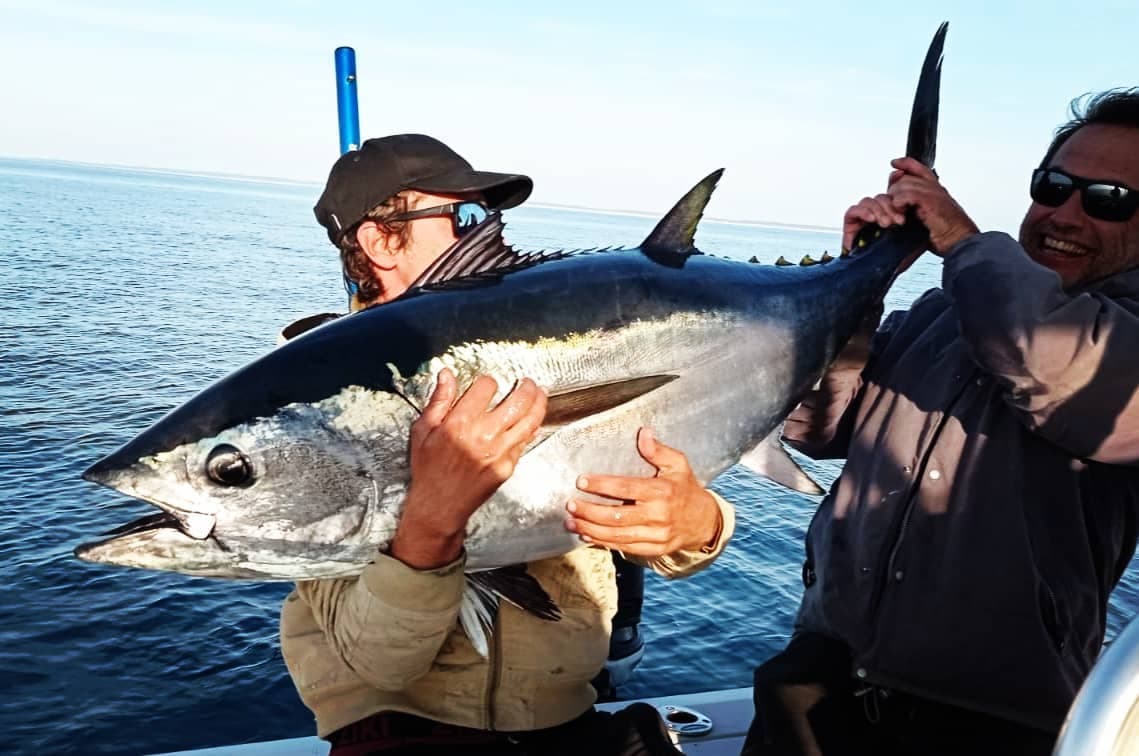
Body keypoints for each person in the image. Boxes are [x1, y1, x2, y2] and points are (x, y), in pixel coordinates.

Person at [277, 133, 736, 756]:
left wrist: (699, 525)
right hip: (400, 733)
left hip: (564, 719)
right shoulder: (305, 416)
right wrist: (431, 522)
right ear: (380, 241)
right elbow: (379, 659)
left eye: (490, 217)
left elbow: (647, 491)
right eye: (464, 217)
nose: (487, 236)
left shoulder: (533, 357)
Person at [742, 87, 1139, 756]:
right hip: (818, 679)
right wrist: (857, 285)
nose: (1064, 214)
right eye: (1053, 185)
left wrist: (961, 240)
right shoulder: (942, 313)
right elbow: (816, 427)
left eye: (1107, 200)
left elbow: (1053, 365)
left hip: (989, 715)